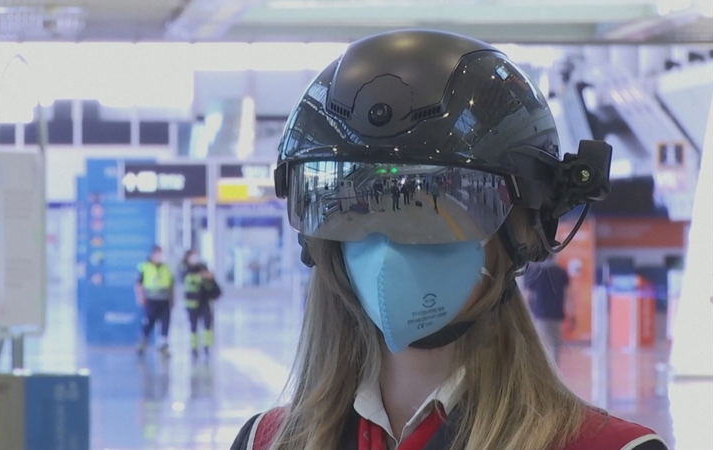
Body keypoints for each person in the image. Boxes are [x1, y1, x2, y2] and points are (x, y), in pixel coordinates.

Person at [231, 30, 666, 450]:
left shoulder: (612, 447)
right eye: (356, 210)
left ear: (518, 232)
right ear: (322, 244)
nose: (387, 248)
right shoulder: (264, 442)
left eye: (430, 206)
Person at [524, 255, 575, 364]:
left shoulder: (535, 273)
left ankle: (545, 374)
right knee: (555, 346)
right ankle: (554, 373)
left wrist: (525, 317)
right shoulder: (561, 273)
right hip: (557, 315)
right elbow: (568, 297)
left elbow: (527, 297)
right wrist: (572, 316)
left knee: (542, 345)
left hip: (540, 315)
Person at [135, 245, 174, 357]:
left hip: (164, 300)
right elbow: (138, 284)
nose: (159, 256)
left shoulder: (166, 268)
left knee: (165, 324)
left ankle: (163, 345)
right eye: (157, 254)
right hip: (151, 300)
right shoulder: (144, 267)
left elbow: (171, 284)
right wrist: (140, 297)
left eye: (160, 254)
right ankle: (142, 341)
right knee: (148, 322)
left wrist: (173, 298)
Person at [182, 250, 221, 360]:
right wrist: (202, 276)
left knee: (207, 325)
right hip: (191, 303)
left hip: (204, 301)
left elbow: (211, 279)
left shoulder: (202, 267)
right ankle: (193, 348)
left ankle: (207, 347)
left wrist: (206, 276)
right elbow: (188, 279)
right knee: (193, 327)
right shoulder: (185, 268)